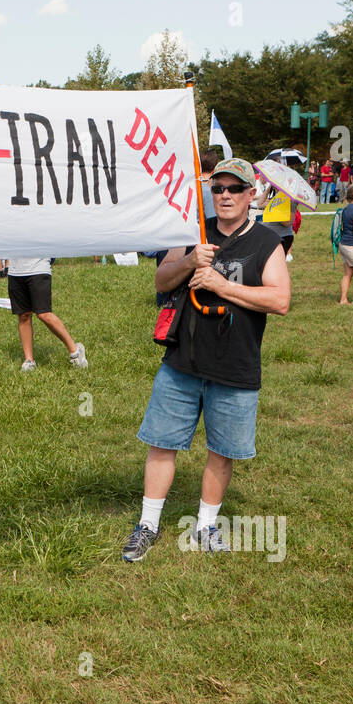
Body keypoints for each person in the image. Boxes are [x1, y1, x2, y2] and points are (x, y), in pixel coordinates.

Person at [122, 158, 291, 560]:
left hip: (235, 364)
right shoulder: (192, 232)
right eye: (218, 189)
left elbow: (280, 300)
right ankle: (147, 524)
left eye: (235, 189)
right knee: (162, 443)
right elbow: (162, 280)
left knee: (222, 450)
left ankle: (205, 525)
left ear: (252, 195)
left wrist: (220, 284)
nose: (226, 196)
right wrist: (187, 261)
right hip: (183, 359)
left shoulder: (268, 243)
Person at [0, 255, 87, 372]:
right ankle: (29, 361)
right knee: (23, 315)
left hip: (39, 269)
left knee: (44, 314)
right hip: (15, 272)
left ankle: (75, 351)